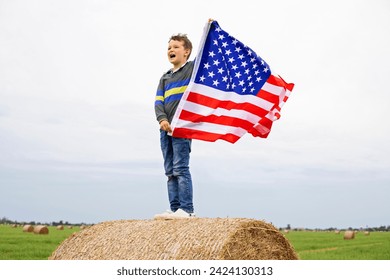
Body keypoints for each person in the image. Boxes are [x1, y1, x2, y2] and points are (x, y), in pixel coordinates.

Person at [154, 33, 195, 219]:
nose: (171, 50)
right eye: (169, 47)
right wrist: (162, 119)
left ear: (186, 52)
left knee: (181, 168)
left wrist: (208, 29)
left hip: (181, 127)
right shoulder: (164, 78)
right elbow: (158, 101)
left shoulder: (190, 70)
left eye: (176, 47)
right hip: (165, 129)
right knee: (170, 171)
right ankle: (174, 208)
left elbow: (204, 55)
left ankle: (187, 209)